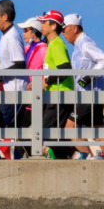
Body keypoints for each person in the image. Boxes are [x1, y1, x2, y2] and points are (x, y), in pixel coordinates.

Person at [62, 13, 104, 160]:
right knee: (99, 136)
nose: (63, 33)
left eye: (64, 29)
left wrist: (88, 76)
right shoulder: (78, 46)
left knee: (70, 129)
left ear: (74, 28)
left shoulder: (85, 44)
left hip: (89, 97)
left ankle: (87, 159)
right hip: (90, 96)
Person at [0, 0, 28, 156]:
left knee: (8, 130)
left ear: (4, 16)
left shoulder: (12, 36)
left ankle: (14, 158)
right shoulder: (6, 35)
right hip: (7, 90)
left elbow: (20, 63)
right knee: (5, 129)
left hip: (14, 92)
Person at [38, 10, 76, 159]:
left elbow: (65, 69)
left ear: (53, 26)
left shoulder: (57, 44)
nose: (41, 25)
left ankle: (73, 154)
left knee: (44, 131)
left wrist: (47, 81)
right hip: (54, 95)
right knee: (49, 133)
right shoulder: (52, 44)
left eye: (44, 22)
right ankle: (70, 155)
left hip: (60, 96)